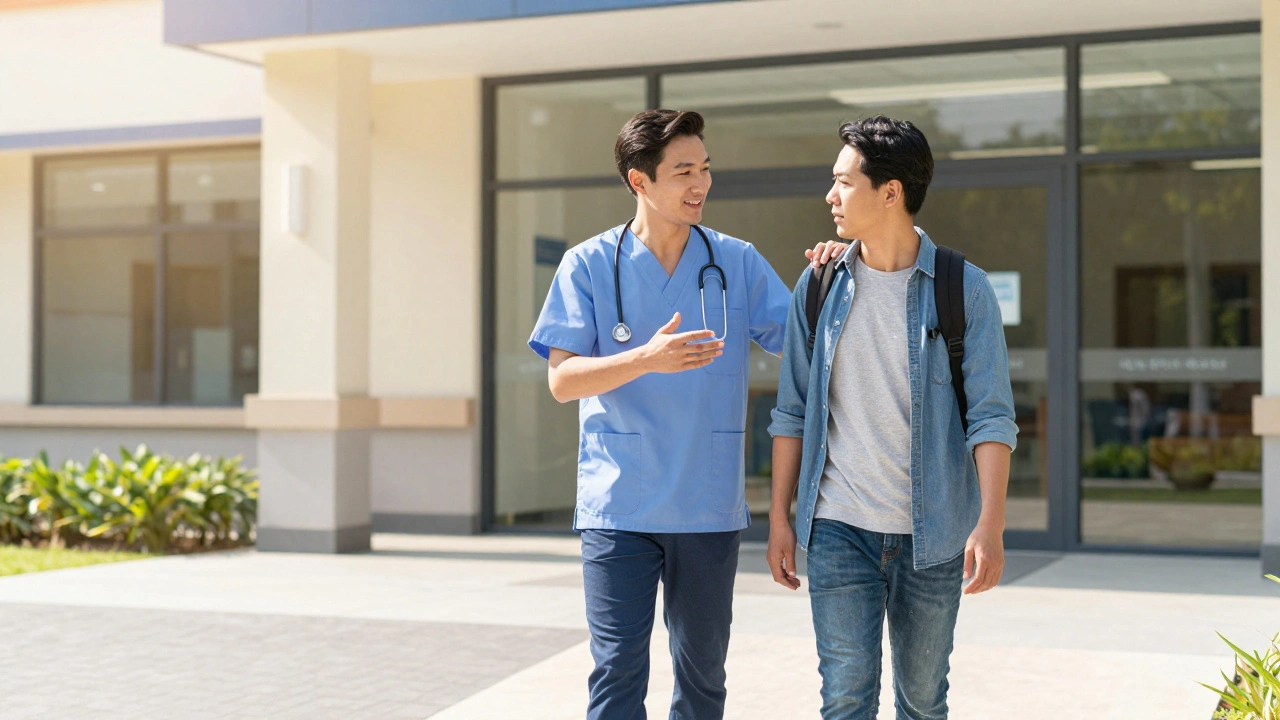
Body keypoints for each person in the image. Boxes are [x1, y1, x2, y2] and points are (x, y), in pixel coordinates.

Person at [528, 109, 844, 720]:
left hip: (705, 503)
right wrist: (646, 358)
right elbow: (562, 381)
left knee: (702, 678)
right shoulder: (588, 264)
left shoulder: (736, 261)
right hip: (619, 504)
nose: (700, 184)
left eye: (704, 169)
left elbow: (808, 341)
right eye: (683, 172)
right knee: (616, 673)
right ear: (639, 180)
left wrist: (834, 272)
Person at [766, 115, 1018, 720]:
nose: (831, 195)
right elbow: (792, 411)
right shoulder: (819, 285)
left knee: (923, 701)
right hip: (837, 527)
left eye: (844, 182)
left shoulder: (964, 289)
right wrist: (779, 518)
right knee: (845, 697)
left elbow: (990, 417)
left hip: (933, 534)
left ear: (890, 192)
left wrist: (990, 523)